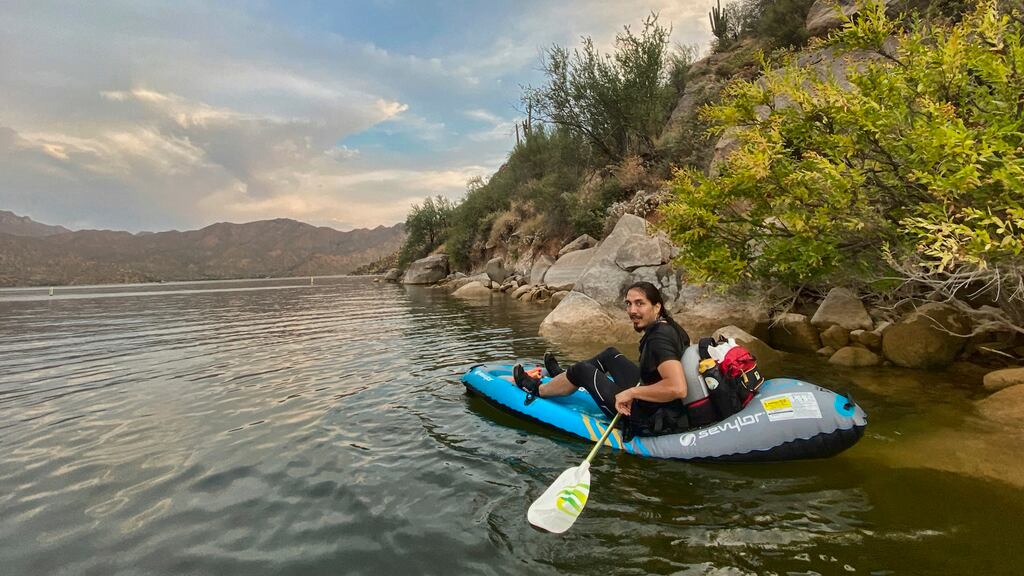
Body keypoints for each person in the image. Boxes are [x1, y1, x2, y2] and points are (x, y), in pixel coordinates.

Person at [513, 281, 691, 439]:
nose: (632, 311)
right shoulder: (670, 326)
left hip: (648, 417)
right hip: (661, 405)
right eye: (629, 304)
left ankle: (536, 388)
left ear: (657, 306)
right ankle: (565, 377)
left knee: (582, 370)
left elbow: (677, 388)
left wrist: (631, 393)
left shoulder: (659, 339)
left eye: (640, 304)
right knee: (610, 354)